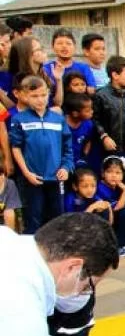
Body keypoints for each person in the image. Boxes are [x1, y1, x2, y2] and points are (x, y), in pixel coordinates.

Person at [0, 212, 118, 336]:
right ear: (72, 267)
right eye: (87, 286)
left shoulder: (7, 240)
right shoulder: (24, 321)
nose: (85, 293)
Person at [9, 75, 73, 233]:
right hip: (32, 178)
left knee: (56, 219)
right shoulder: (19, 119)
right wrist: (26, 173)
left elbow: (67, 147)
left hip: (55, 177)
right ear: (24, 96)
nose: (40, 100)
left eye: (43, 95)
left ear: (49, 93)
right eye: (34, 96)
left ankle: (55, 247)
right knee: (33, 217)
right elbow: (16, 147)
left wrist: (66, 167)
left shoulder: (58, 119)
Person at [43, 29, 96, 97]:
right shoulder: (46, 69)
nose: (64, 46)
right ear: (52, 47)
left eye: (68, 43)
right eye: (59, 43)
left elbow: (91, 89)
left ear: (74, 47)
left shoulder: (83, 68)